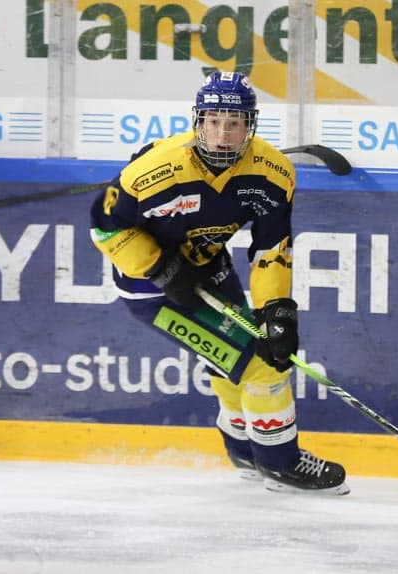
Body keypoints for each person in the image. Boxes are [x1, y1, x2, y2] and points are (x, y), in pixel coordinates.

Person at [89, 71, 349, 495]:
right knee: (261, 366)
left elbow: (271, 249)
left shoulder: (274, 172)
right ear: (199, 121)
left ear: (250, 124)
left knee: (239, 359)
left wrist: (275, 310)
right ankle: (280, 464)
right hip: (153, 290)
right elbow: (104, 226)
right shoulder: (154, 170)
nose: (223, 134)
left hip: (210, 266)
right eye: (214, 121)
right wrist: (159, 267)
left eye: (234, 122)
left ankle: (245, 452)